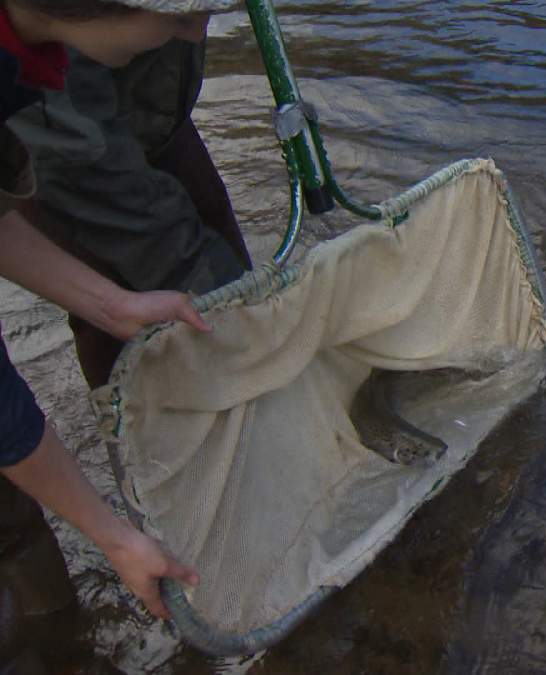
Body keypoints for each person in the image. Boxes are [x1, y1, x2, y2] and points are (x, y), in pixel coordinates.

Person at [0, 0, 241, 669]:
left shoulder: (24, 50)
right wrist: (110, 535)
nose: (197, 34)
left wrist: (112, 306)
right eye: (178, 18)